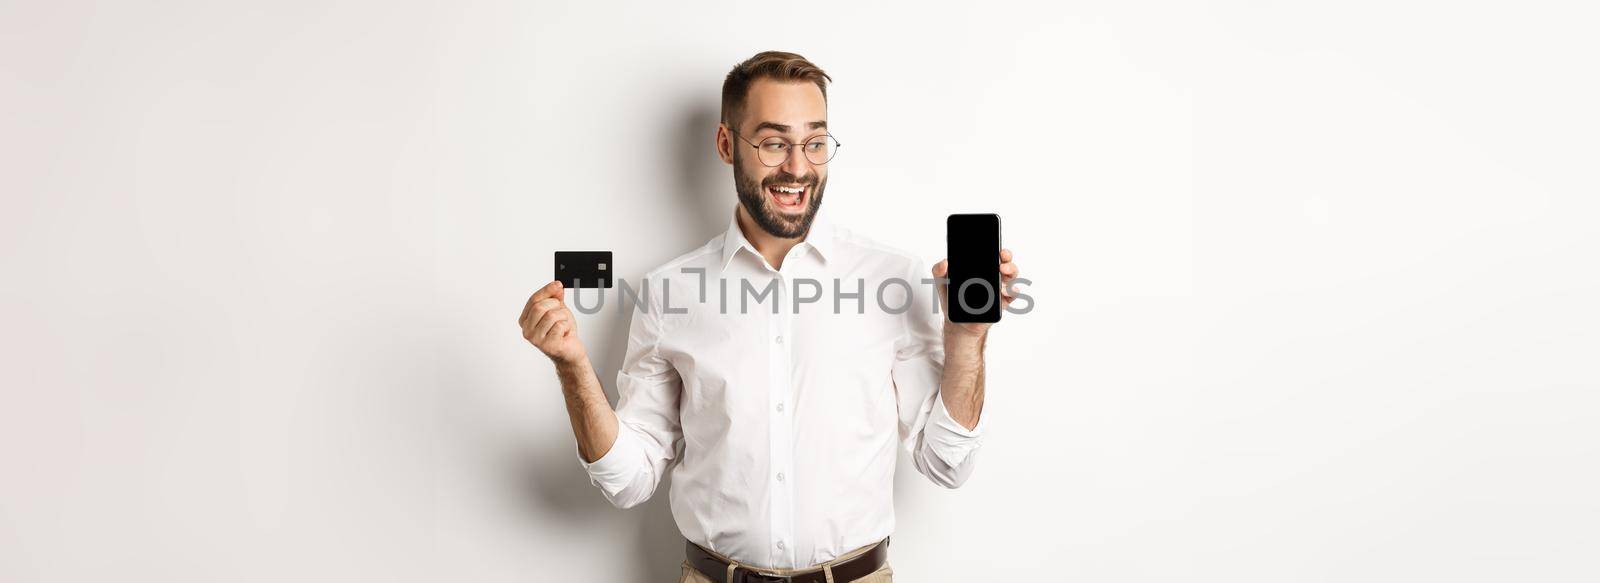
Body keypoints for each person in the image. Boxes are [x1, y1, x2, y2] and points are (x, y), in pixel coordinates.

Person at [517, 50, 1022, 583]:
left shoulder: (891, 279)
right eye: (774, 142)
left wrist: (967, 338)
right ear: (726, 144)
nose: (798, 167)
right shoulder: (667, 292)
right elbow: (628, 482)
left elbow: (946, 464)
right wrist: (572, 366)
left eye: (815, 142)